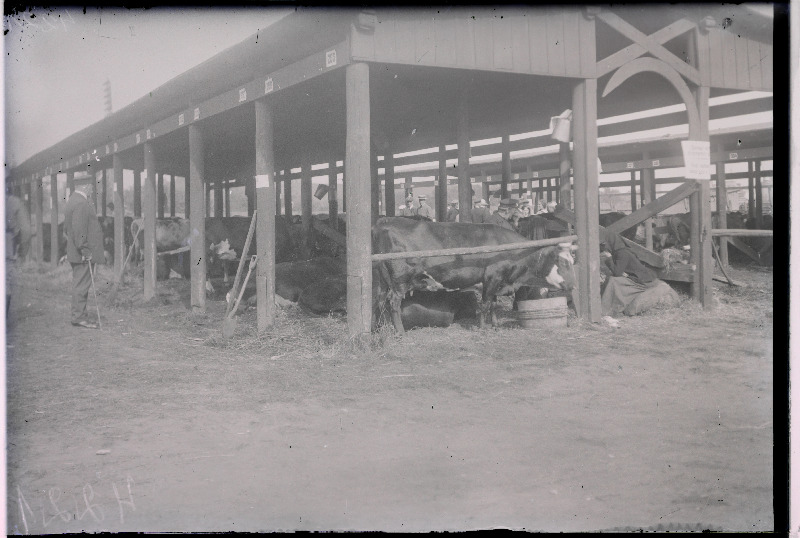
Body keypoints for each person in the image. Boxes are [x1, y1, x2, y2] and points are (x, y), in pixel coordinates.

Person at [599, 228, 678, 318]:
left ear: (611, 243)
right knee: (615, 280)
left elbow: (617, 273)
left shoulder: (622, 253)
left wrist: (608, 258)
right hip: (636, 277)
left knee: (614, 281)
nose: (604, 247)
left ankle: (607, 309)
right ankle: (611, 306)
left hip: (643, 280)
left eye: (605, 244)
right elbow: (619, 270)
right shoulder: (620, 251)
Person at [64, 176, 105, 329]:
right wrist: (85, 249)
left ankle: (79, 315)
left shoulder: (72, 201)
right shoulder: (81, 203)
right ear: (85, 186)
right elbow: (80, 230)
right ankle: (79, 317)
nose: (93, 189)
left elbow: (67, 229)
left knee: (79, 283)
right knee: (81, 285)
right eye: (92, 186)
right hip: (81, 253)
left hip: (75, 251)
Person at [6, 190, 31, 261]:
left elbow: (10, 220)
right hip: (24, 230)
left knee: (12, 256)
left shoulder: (11, 201)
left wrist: (13, 230)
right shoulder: (15, 200)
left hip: (21, 231)